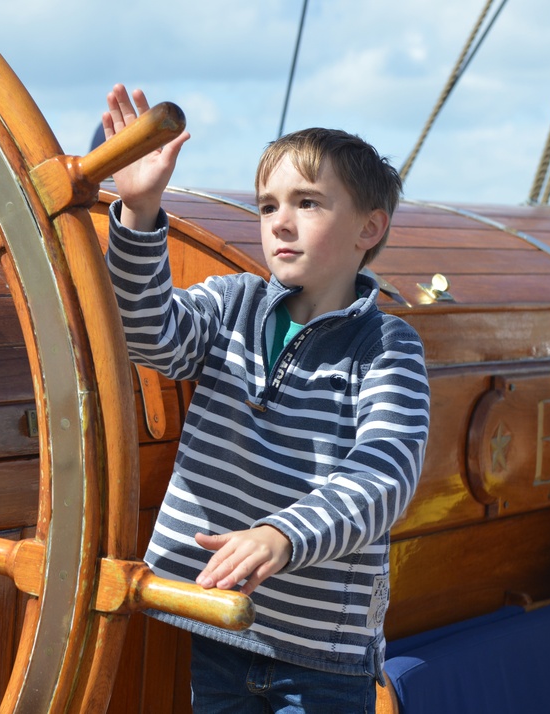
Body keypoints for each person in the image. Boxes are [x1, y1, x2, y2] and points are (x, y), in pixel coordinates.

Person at [102, 84, 431, 713]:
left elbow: (385, 472)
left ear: (370, 227)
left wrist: (283, 534)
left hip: (321, 655)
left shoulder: (387, 346)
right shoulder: (232, 305)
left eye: (307, 203)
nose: (280, 221)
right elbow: (148, 334)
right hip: (220, 624)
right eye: (267, 205)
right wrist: (140, 211)